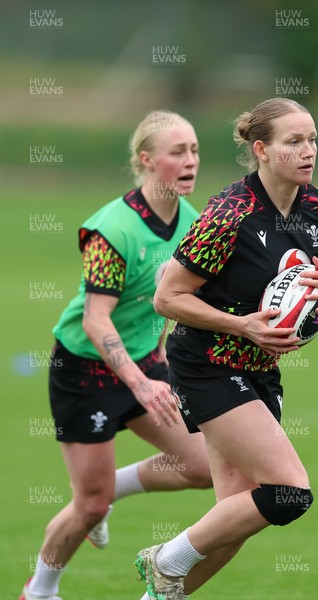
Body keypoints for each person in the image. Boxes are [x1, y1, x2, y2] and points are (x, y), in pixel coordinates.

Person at [133, 97, 318, 599]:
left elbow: (305, 312)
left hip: (259, 369)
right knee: (289, 493)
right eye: (293, 141)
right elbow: (167, 298)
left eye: (312, 139)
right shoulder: (229, 214)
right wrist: (243, 326)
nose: (308, 150)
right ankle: (165, 558)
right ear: (261, 150)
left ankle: (157, 596)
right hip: (205, 363)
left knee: (236, 518)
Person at [19, 110, 215, 600]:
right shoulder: (113, 229)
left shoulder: (193, 222)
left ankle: (114, 493)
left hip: (146, 360)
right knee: (88, 502)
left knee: (202, 467)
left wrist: (163, 361)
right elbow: (95, 319)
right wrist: (141, 382)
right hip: (84, 369)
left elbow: (176, 299)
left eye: (193, 150)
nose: (190, 161)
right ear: (147, 161)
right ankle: (39, 591)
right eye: (178, 152)